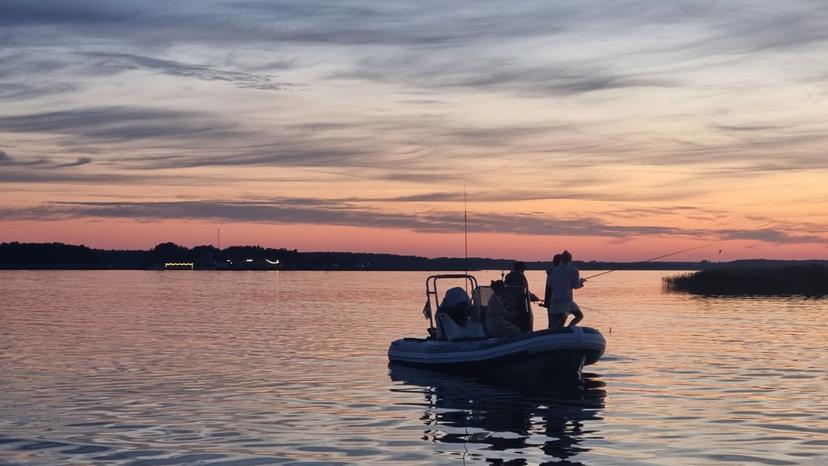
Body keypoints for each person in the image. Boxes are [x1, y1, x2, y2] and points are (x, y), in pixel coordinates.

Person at [545, 250, 585, 329]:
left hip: (554, 300)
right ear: (570, 259)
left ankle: (561, 332)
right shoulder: (574, 270)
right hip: (566, 300)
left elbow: (550, 285)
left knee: (556, 323)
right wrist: (581, 281)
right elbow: (576, 286)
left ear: (562, 260)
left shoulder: (554, 270)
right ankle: (569, 328)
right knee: (579, 316)